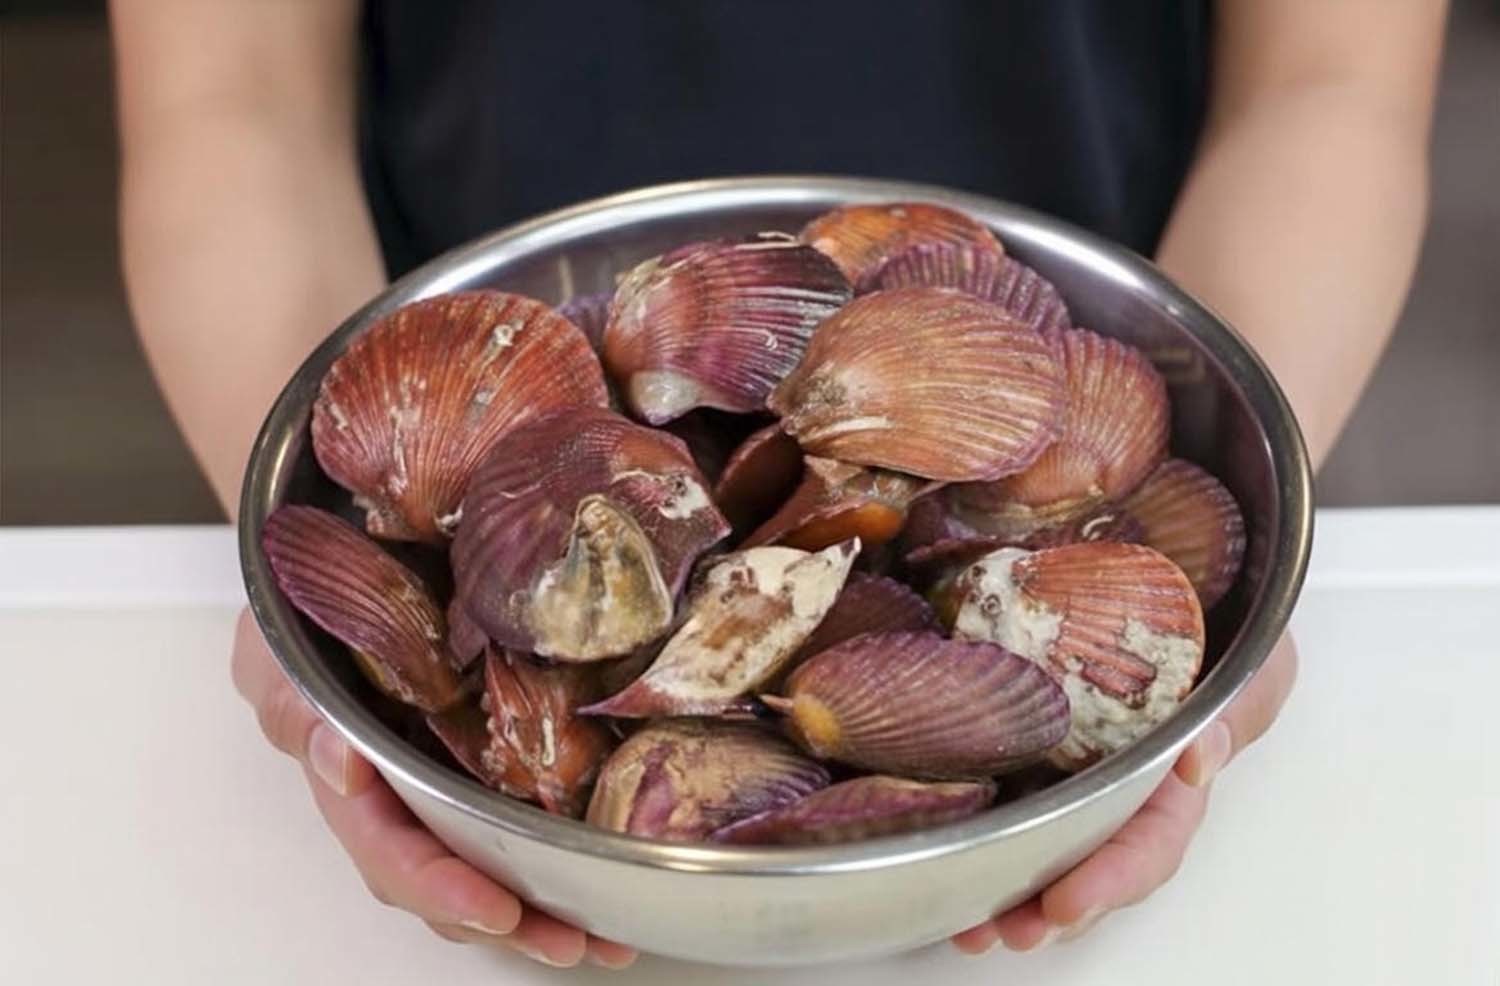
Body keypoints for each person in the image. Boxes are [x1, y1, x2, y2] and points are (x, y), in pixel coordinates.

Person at [111, 0, 1446, 969]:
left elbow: (1328, 85)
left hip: (1072, 318)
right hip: (489, 354)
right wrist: (337, 614)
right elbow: (231, 99)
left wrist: (1236, 462)